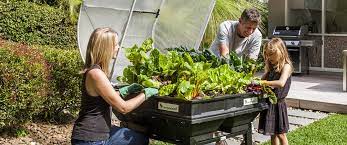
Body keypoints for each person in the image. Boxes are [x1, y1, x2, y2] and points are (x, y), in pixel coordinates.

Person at [71, 27, 158, 145]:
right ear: (105, 48)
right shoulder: (96, 74)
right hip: (91, 139)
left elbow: (103, 98)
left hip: (101, 133)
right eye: (116, 45)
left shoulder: (96, 71)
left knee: (140, 139)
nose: (118, 48)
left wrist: (125, 91)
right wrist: (145, 93)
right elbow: (123, 108)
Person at [258, 38, 293, 145]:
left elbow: (281, 83)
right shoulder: (272, 67)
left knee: (281, 134)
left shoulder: (286, 66)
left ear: (281, 52)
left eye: (272, 54)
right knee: (272, 133)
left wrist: (263, 83)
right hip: (270, 103)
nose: (269, 57)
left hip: (278, 105)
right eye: (267, 54)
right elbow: (260, 80)